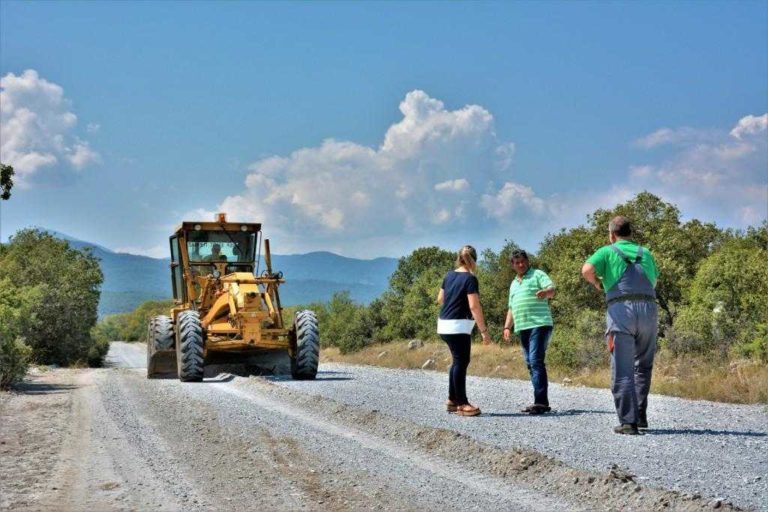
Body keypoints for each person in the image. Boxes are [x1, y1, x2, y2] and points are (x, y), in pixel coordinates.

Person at [581, 216, 659, 435]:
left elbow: (586, 269)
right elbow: (653, 281)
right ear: (630, 233)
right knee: (643, 366)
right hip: (648, 310)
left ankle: (628, 421)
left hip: (621, 311)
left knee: (622, 367)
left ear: (611, 234)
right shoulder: (646, 253)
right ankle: (641, 416)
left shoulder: (607, 251)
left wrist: (598, 282)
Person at [437, 245, 492, 417]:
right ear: (474, 259)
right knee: (461, 362)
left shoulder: (448, 275)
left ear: (458, 258)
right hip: (458, 326)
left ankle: (452, 400)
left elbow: (440, 299)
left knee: (457, 361)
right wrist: (484, 331)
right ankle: (462, 403)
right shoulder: (470, 279)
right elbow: (474, 306)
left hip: (444, 324)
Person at [502, 249, 556, 415]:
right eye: (517, 262)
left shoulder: (537, 274)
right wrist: (507, 327)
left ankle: (540, 402)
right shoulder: (513, 283)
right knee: (530, 363)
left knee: (535, 361)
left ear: (527, 261)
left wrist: (545, 292)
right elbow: (511, 307)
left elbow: (552, 289)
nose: (521, 264)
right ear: (512, 265)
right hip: (522, 327)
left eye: (523, 261)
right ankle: (539, 401)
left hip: (540, 324)